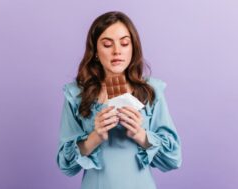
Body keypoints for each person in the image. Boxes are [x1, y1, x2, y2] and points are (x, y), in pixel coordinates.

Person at [56, 11, 182, 189]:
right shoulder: (76, 94)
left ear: (133, 48)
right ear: (96, 52)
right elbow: (66, 165)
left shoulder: (152, 91)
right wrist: (95, 136)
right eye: (107, 44)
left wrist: (140, 134)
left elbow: (173, 159)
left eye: (124, 43)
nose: (117, 51)